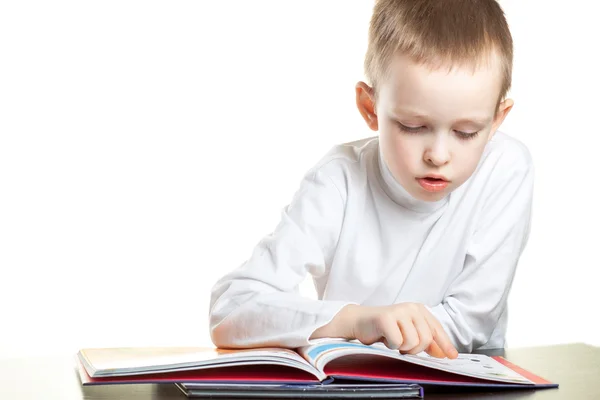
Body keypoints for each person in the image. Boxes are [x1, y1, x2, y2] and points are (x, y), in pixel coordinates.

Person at [209, 0, 533, 359]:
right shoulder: (338, 180)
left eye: (467, 132)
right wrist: (353, 320)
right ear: (370, 108)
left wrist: (370, 332)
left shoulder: (505, 168)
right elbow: (232, 308)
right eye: (413, 126)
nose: (438, 155)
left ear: (497, 120)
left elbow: (467, 326)